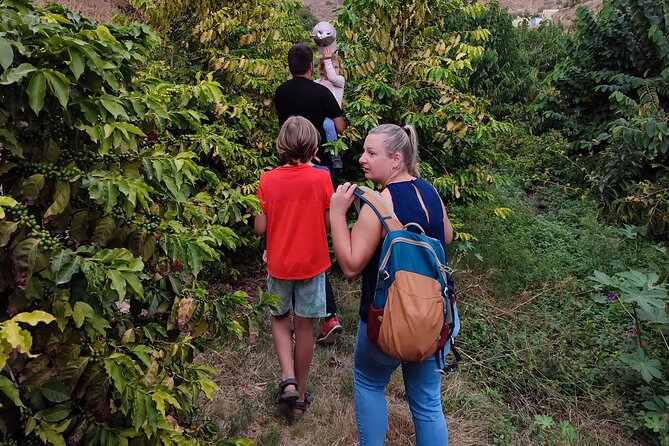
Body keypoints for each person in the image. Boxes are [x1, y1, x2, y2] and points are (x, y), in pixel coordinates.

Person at [329, 124, 456, 445]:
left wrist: (336, 214)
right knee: (428, 403)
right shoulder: (429, 191)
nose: (362, 159)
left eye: (371, 153)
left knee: (370, 382)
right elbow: (448, 236)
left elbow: (350, 265)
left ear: (396, 159)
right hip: (432, 317)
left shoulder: (379, 202)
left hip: (385, 316)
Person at [255, 116, 334, 416]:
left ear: (282, 145)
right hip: (312, 264)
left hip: (279, 263)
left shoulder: (267, 180)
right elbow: (328, 223)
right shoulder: (321, 178)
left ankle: (287, 378)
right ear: (313, 144)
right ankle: (299, 397)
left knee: (279, 317)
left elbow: (260, 228)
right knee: (305, 327)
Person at [274, 43, 346, 344]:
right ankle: (326, 315)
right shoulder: (321, 93)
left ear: (289, 66)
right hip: (317, 168)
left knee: (286, 240)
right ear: (309, 65)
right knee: (314, 240)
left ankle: (287, 315)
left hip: (285, 170)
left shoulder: (280, 92)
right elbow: (340, 127)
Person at [314, 47, 345, 169]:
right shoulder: (318, 82)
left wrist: (327, 60)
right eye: (329, 67)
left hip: (332, 115)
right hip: (319, 114)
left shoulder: (339, 81)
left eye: (336, 67)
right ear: (322, 69)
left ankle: (335, 154)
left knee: (328, 125)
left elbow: (332, 77)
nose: (333, 70)